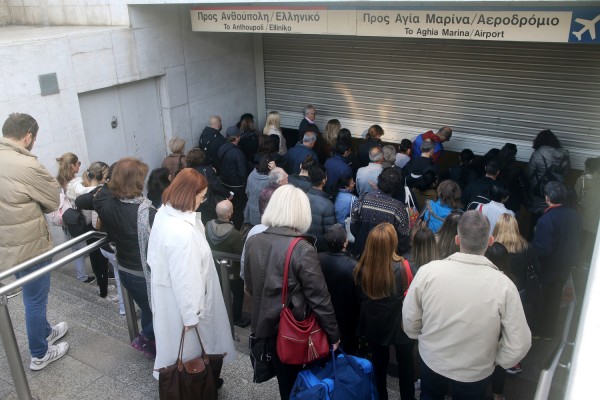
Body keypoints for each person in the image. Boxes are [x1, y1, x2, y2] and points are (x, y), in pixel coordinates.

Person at [403, 211, 531, 399]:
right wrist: (496, 360)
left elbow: (409, 320)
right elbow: (520, 343)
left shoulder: (428, 272)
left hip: (433, 360)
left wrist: (422, 340)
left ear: (457, 239)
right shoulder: (504, 286)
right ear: (490, 241)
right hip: (475, 372)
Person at [243, 185, 340, 399]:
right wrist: (333, 334)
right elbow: (319, 298)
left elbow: (249, 286)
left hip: (263, 328)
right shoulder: (302, 249)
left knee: (285, 384)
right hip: (294, 332)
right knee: (299, 385)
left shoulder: (253, 240)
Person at [147, 169, 236, 380]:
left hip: (169, 294)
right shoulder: (182, 233)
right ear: (189, 195)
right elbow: (186, 279)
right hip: (188, 304)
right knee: (193, 352)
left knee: (177, 348)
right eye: (201, 196)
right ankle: (196, 384)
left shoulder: (164, 212)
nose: (202, 201)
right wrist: (191, 315)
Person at [0, 112, 69, 370]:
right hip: (30, 245)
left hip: (7, 245)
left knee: (33, 295)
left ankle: (46, 331)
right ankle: (39, 353)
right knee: (35, 300)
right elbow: (53, 201)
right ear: (27, 136)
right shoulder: (27, 165)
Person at [93, 157, 156, 357]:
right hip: (143, 273)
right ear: (135, 181)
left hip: (124, 269)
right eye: (141, 177)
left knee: (147, 309)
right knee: (155, 311)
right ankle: (149, 341)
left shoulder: (107, 205)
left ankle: (149, 344)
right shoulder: (146, 212)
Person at [354, 222, 415, 400]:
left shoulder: (361, 269)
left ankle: (381, 396)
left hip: (374, 324)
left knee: (379, 364)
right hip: (401, 325)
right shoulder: (405, 267)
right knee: (406, 364)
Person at [532, 181, 580, 339]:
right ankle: (550, 332)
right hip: (565, 266)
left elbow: (542, 250)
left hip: (548, 268)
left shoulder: (546, 220)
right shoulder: (574, 215)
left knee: (541, 300)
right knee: (554, 299)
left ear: (547, 198)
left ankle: (538, 331)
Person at [205, 199, 249, 328]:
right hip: (232, 271)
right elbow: (240, 254)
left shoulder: (208, 226)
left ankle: (217, 313)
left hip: (213, 266)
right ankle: (236, 318)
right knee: (238, 294)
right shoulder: (234, 234)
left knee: (217, 290)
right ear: (230, 214)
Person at [350, 167, 410, 258]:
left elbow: (353, 226)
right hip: (385, 258)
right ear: (397, 188)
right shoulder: (398, 208)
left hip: (362, 253)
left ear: (378, 179)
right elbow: (403, 239)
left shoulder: (363, 199)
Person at [318, 224, 359, 354]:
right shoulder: (353, 266)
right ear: (345, 243)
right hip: (347, 318)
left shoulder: (317, 259)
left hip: (322, 314)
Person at [56, 152, 95, 284]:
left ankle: (82, 277)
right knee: (84, 250)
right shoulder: (75, 182)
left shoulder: (60, 182)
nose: (79, 165)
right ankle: (84, 277)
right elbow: (88, 192)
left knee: (76, 250)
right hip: (77, 221)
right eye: (78, 163)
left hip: (67, 221)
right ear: (72, 166)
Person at [76, 161, 113, 300]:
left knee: (95, 260)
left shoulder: (81, 188)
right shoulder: (97, 191)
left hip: (86, 229)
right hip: (97, 230)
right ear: (101, 175)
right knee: (102, 262)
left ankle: (101, 287)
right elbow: (96, 217)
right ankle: (104, 292)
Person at [527, 129, 570, 238]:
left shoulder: (537, 154)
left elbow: (529, 174)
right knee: (553, 224)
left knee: (535, 223)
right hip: (556, 194)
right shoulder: (564, 155)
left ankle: (533, 245)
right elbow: (566, 174)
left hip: (538, 194)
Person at [186, 147, 229, 224]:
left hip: (191, 203)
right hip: (206, 202)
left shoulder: (186, 171)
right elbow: (215, 186)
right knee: (208, 221)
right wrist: (227, 194)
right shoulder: (207, 170)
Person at [218, 126, 248, 229]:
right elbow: (242, 172)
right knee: (238, 209)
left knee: (230, 207)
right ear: (237, 137)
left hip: (225, 184)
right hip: (237, 186)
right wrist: (245, 185)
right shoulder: (237, 153)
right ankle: (237, 228)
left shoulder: (222, 147)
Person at [575, 157, 600, 266]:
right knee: (593, 247)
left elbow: (575, 197)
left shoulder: (583, 180)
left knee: (581, 244)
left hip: (584, 219)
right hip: (596, 223)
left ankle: (578, 264)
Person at [306, 166, 336, 252]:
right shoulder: (327, 204)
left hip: (302, 242)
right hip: (320, 247)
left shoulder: (302, 196)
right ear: (324, 180)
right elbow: (330, 232)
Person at [244, 156, 271, 226]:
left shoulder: (252, 174)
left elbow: (247, 191)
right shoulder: (270, 181)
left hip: (251, 208)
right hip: (263, 213)